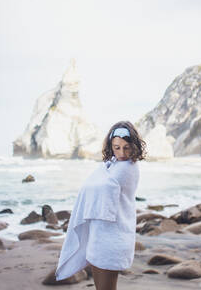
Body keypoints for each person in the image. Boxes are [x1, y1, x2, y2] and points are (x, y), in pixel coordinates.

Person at [55, 120, 146, 290]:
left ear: (134, 147)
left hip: (113, 238)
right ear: (110, 146)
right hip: (99, 236)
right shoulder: (111, 165)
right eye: (117, 147)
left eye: (126, 147)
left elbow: (97, 188)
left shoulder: (128, 168)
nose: (122, 153)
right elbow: (95, 186)